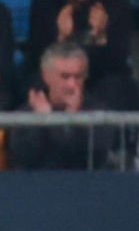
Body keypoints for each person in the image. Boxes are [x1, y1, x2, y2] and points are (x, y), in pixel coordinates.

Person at [27, 0, 138, 111]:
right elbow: (35, 58)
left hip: (99, 78)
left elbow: (119, 62)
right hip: (58, 75)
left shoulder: (116, 4)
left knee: (120, 86)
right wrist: (61, 39)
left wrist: (101, 39)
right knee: (31, 82)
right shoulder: (45, 3)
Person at [10, 41, 122, 170]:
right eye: (65, 76)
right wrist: (42, 122)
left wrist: (75, 121)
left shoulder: (99, 112)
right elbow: (24, 158)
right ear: (46, 76)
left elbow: (95, 158)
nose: (72, 85)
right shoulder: (26, 113)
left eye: (78, 77)